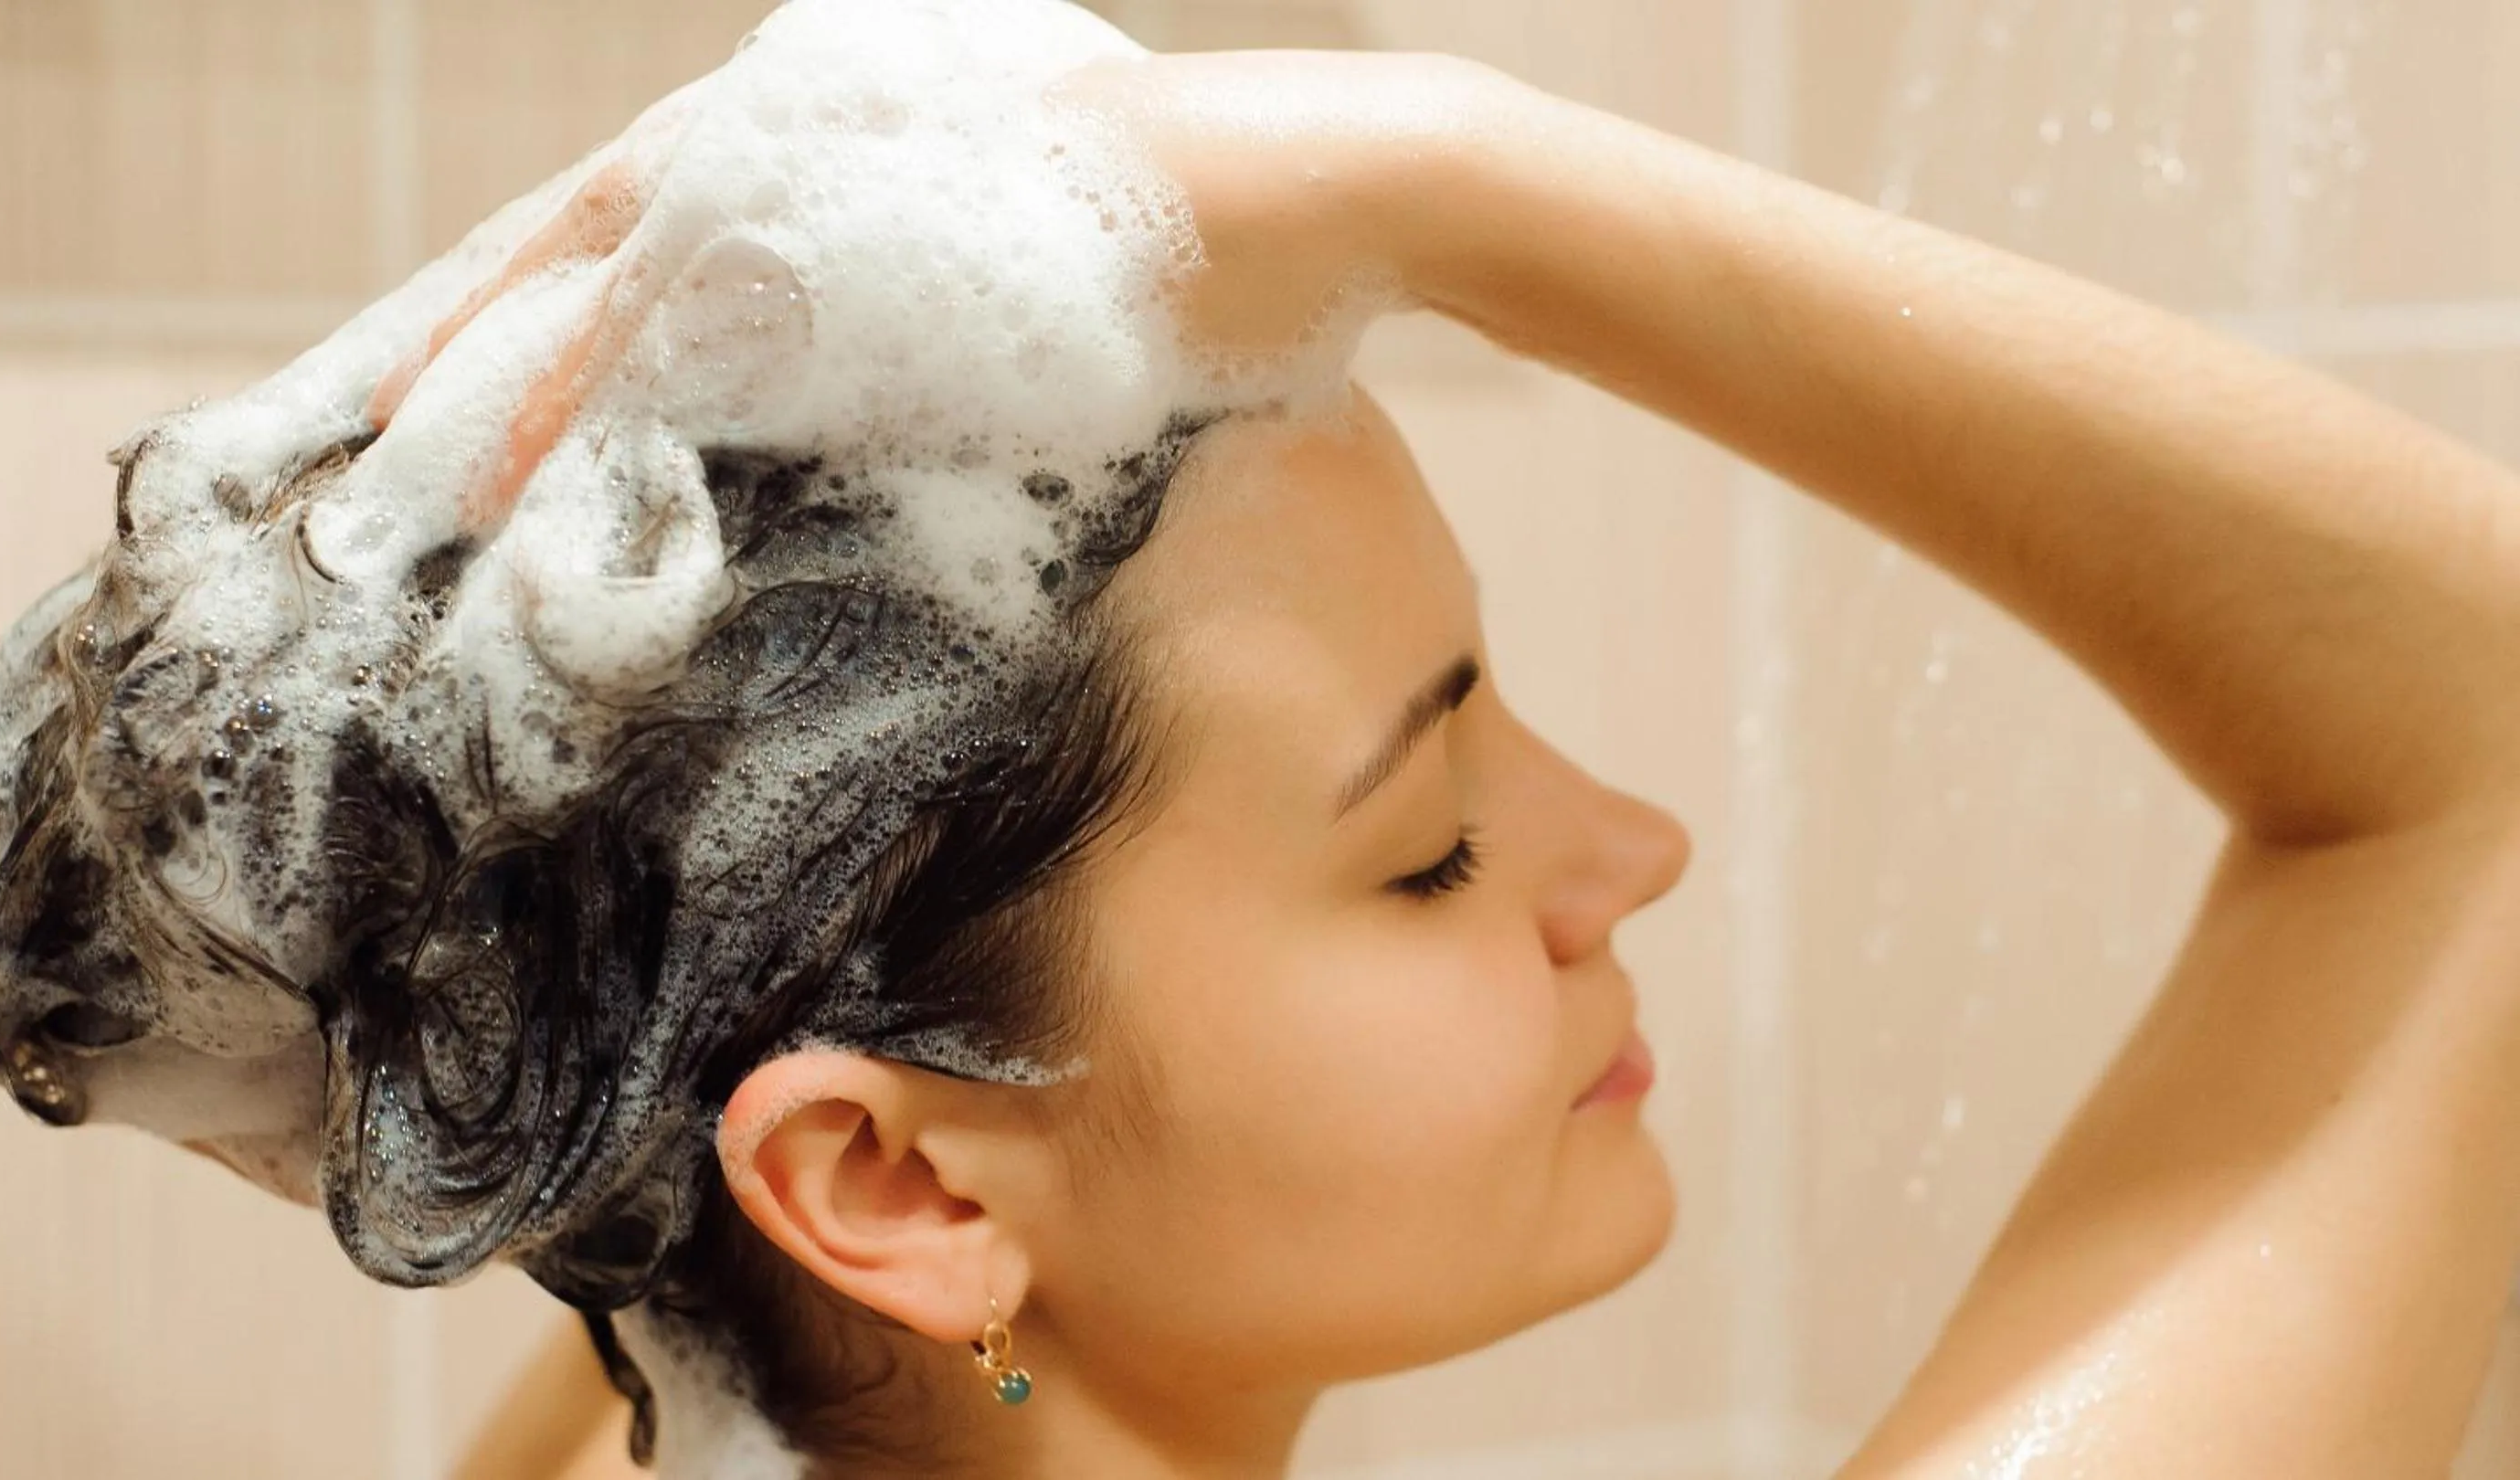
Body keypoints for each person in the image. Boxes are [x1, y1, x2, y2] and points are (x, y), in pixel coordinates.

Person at [453, 42, 2520, 1480]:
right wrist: (1439, 172)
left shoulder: (661, 1367)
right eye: (1424, 849)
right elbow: (2478, 749)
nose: (1635, 847)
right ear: (885, 1179)